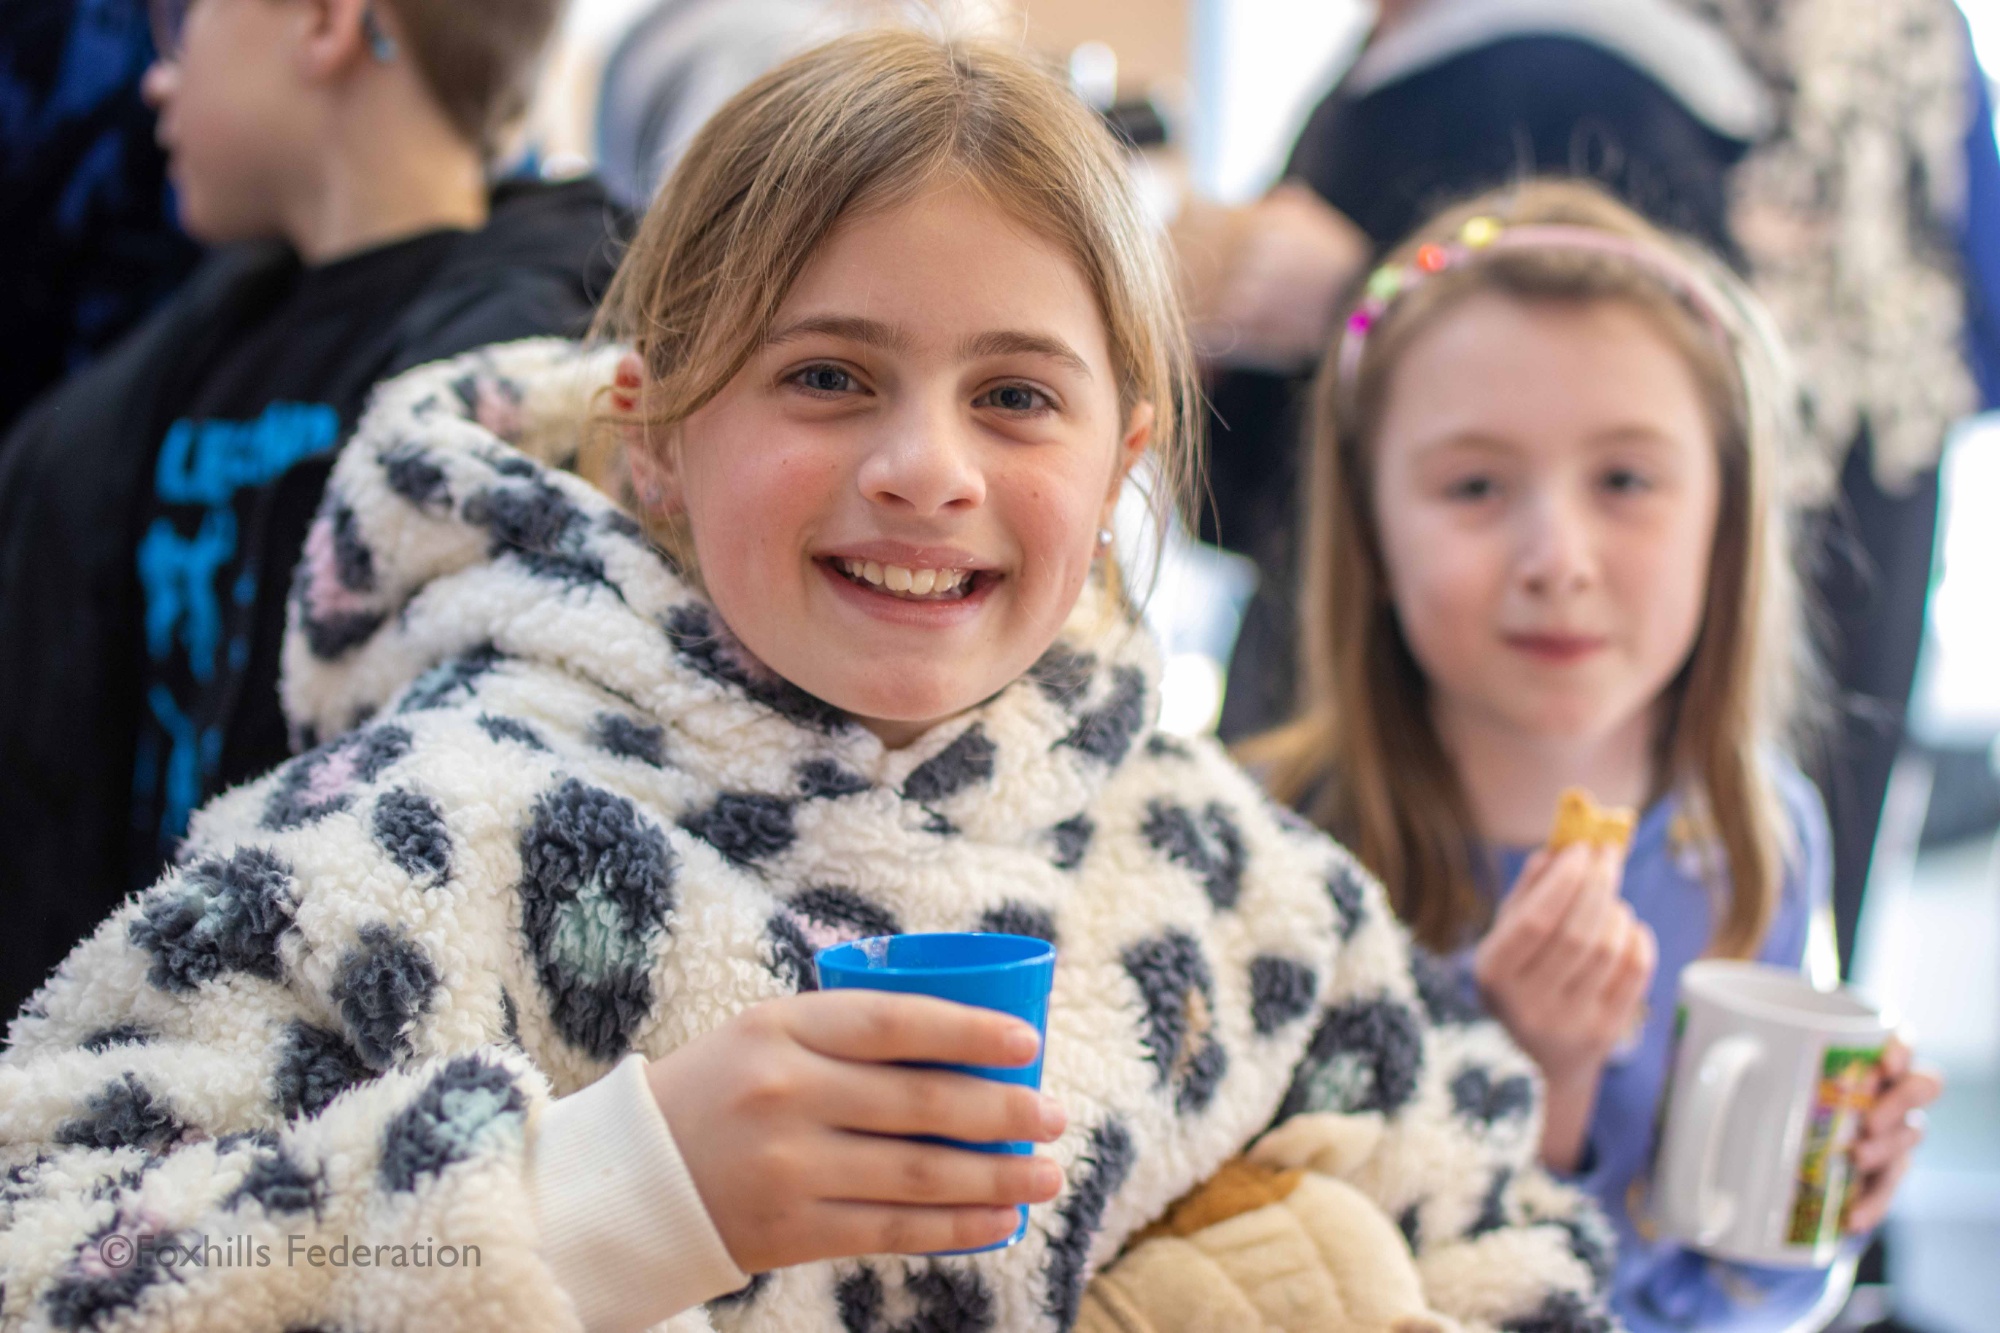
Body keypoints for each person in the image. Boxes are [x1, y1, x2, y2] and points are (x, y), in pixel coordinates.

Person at [0, 31, 1614, 1333]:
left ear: (1126, 450)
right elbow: (46, 1247)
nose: (927, 467)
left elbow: (1507, 1226)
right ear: (657, 435)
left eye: (1015, 396)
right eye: (828, 376)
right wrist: (618, 1195)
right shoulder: (420, 841)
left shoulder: (1238, 888)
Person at [1246, 179, 1943, 1333]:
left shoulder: (1756, 832)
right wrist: (1527, 1080)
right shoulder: (1272, 845)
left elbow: (1740, 1301)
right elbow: (1279, 1283)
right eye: (1473, 485)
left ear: (1726, 521)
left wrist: (1821, 1200)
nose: (1555, 557)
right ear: (1367, 529)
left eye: (1623, 480)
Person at [0, 0, 624, 1022]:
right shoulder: (181, 356)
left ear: (329, 23)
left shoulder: (525, 382)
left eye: (177, 23)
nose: (155, 78)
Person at [1193, 0, 1772, 742]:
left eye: (1622, 482)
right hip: (1334, 687)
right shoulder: (1375, 74)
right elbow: (1241, 499)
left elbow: (1612, 376)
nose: (1560, 560)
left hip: (1431, 711)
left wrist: (1357, 295)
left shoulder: (1574, 70)